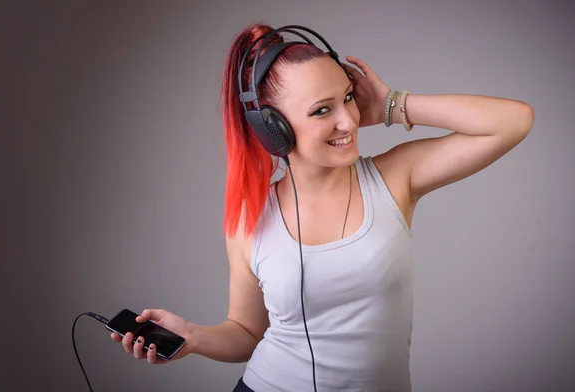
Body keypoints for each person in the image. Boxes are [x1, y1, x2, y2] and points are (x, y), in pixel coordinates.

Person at [110, 23, 535, 391]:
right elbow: (246, 333)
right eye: (321, 110)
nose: (348, 122)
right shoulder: (250, 221)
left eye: (347, 98)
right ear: (272, 129)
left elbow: (513, 121)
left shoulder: (392, 178)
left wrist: (390, 104)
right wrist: (192, 337)